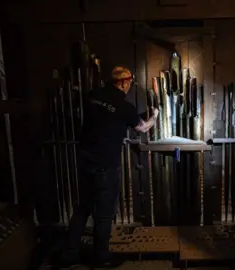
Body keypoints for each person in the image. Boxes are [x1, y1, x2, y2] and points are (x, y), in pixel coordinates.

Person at [61, 66, 159, 268]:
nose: (129, 87)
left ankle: (69, 254)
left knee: (82, 209)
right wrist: (155, 116)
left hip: (85, 163)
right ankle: (101, 258)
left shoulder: (93, 96)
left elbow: (105, 119)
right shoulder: (124, 107)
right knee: (104, 214)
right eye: (129, 83)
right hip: (106, 167)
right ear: (124, 83)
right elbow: (142, 128)